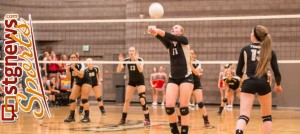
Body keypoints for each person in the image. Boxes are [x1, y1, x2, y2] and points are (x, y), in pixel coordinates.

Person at [235, 25, 282, 134]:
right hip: (263, 83)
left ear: (255, 36)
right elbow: (277, 73)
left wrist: (246, 79)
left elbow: (238, 72)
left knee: (244, 115)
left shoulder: (245, 49)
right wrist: (278, 85)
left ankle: (238, 131)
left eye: (251, 32)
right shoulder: (270, 51)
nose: (250, 34)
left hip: (248, 83)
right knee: (267, 117)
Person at [149, 24, 193, 134]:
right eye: (173, 28)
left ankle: (184, 131)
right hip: (173, 78)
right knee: (169, 106)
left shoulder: (184, 40)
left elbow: (168, 35)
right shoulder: (170, 45)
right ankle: (174, 131)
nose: (174, 29)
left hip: (186, 77)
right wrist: (154, 33)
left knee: (183, 107)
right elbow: (163, 38)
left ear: (181, 32)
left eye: (176, 28)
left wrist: (157, 30)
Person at [116, 47, 150, 125]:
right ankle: (123, 119)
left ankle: (147, 118)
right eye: (130, 51)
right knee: (127, 100)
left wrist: (136, 60)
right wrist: (120, 62)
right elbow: (118, 70)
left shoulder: (140, 59)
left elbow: (141, 70)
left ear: (135, 52)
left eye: (133, 51)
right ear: (128, 52)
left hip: (140, 80)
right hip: (132, 81)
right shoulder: (127, 60)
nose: (131, 52)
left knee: (142, 99)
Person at [64, 53, 93, 123]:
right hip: (78, 82)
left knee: (84, 99)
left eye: (74, 57)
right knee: (72, 98)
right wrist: (67, 70)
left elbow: (81, 75)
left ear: (77, 58)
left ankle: (87, 117)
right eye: (71, 57)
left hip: (86, 81)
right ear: (70, 59)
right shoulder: (68, 66)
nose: (73, 59)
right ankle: (71, 117)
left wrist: (73, 67)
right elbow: (68, 78)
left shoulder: (80, 64)